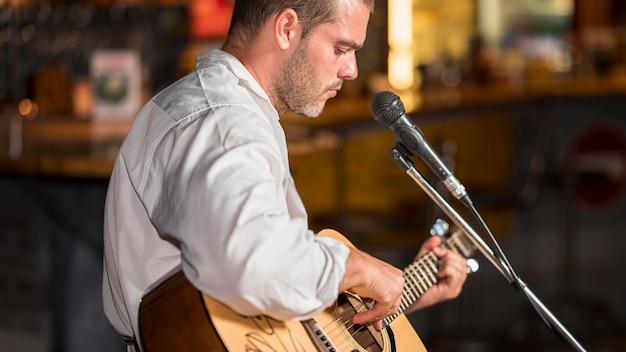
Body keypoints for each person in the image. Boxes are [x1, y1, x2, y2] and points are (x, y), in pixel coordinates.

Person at [102, 0, 468, 350]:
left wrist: (400, 294)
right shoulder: (224, 124)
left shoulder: (219, 108)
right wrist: (356, 267)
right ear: (286, 28)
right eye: (341, 48)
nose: (351, 70)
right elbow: (253, 259)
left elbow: (281, 304)